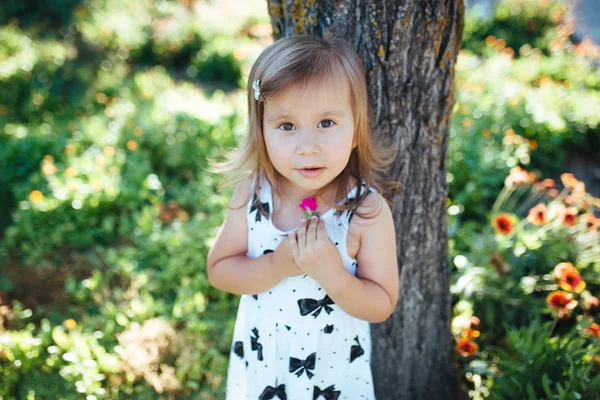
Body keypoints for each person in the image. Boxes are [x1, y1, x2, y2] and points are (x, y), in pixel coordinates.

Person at [206, 35, 401, 400]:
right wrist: (277, 266)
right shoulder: (253, 195)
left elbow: (381, 304)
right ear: (262, 132)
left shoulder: (366, 212)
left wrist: (333, 275)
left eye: (326, 123)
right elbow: (219, 270)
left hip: (334, 375)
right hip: (264, 365)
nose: (307, 146)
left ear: (355, 128)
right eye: (287, 126)